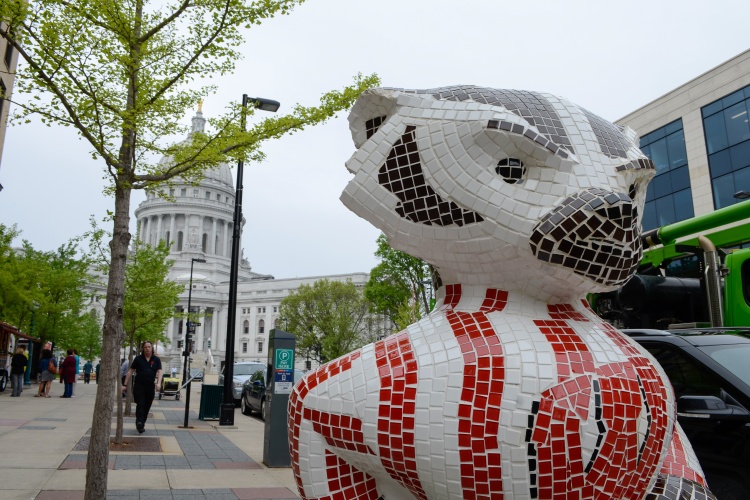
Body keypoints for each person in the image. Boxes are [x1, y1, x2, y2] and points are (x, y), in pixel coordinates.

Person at [122, 341, 162, 434]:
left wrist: (159, 383)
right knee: (140, 404)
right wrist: (125, 384)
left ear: (152, 348)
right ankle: (139, 422)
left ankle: (141, 423)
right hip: (139, 385)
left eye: (149, 347)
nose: (147, 348)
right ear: (143, 349)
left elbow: (160, 371)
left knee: (147, 406)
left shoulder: (156, 359)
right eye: (145, 347)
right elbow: (130, 371)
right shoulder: (138, 359)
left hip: (150, 386)